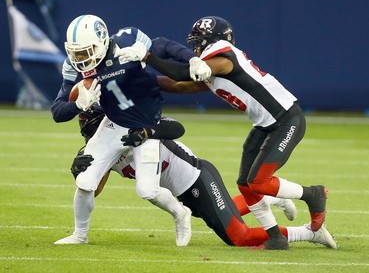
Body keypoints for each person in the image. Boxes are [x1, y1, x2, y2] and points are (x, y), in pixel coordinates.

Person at [120, 16, 329, 250]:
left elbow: (181, 75)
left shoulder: (223, 57)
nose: (195, 48)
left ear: (213, 40)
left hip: (286, 119)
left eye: (199, 42)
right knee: (245, 184)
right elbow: (178, 85)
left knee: (259, 181)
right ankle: (276, 237)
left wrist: (148, 58)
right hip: (265, 124)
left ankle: (313, 194)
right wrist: (139, 80)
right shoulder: (212, 67)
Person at [69, 107, 337, 249]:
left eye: (93, 128)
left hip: (198, 177)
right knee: (223, 215)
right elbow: (94, 188)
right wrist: (79, 171)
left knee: (237, 237)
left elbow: (176, 127)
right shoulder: (99, 150)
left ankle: (308, 234)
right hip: (183, 192)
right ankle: (269, 199)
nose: (91, 135)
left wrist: (146, 131)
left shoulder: (137, 126)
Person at [51, 14, 209, 246]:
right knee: (85, 182)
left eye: (87, 51)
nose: (81, 58)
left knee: (147, 190)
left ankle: (180, 213)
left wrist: (193, 60)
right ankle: (80, 234)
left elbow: (164, 45)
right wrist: (78, 105)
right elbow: (57, 111)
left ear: (103, 41)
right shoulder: (74, 67)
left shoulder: (128, 40)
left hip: (144, 123)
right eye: (77, 53)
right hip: (112, 123)